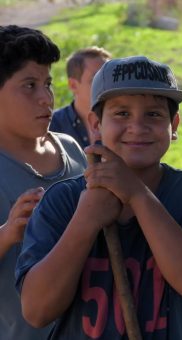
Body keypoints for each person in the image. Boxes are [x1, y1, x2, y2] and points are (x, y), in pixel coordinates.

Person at [16, 55, 182, 339]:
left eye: (153, 114)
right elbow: (37, 311)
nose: (137, 127)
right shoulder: (63, 200)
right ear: (95, 124)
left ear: (173, 125)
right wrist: (86, 220)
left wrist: (137, 194)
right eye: (122, 113)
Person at [0, 25, 87, 340]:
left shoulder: (73, 149)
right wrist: (7, 234)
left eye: (47, 84)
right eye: (29, 85)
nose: (45, 98)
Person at [50, 46, 112, 148]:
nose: (106, 85)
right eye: (96, 79)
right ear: (73, 85)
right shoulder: (52, 125)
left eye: (110, 78)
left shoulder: (122, 121)